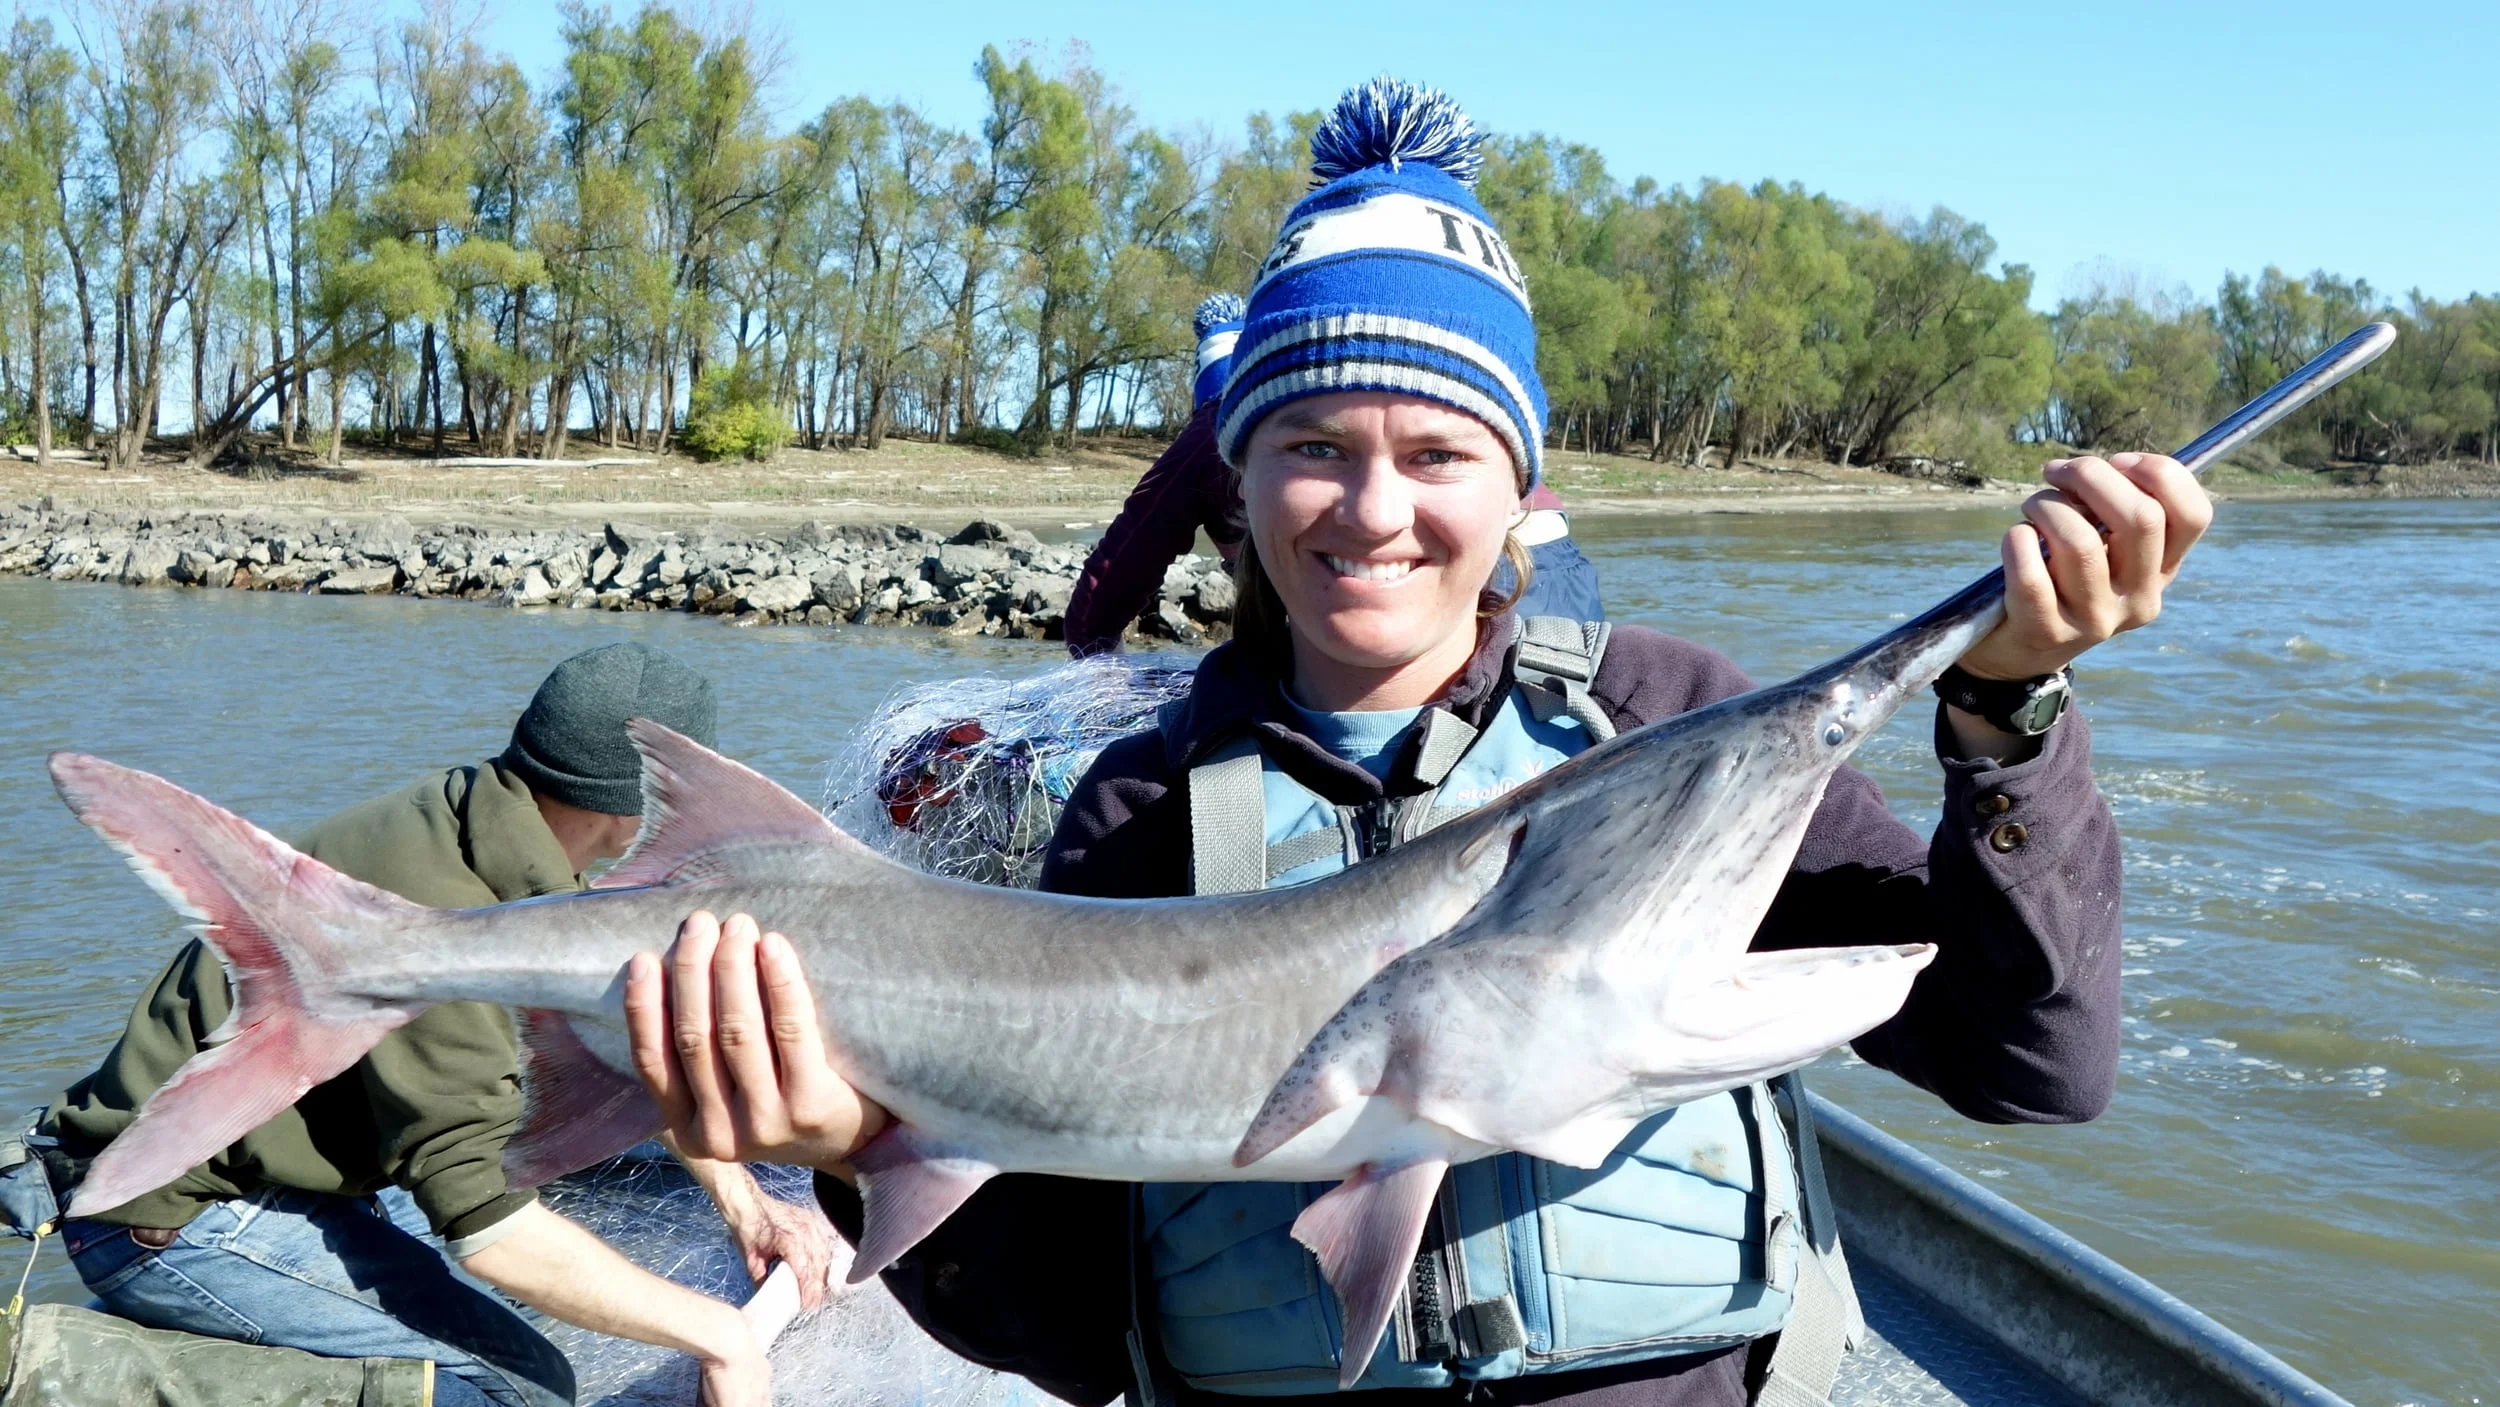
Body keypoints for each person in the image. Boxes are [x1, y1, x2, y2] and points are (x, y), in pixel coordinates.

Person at [623, 78, 2211, 1407]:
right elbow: (1059, 1334)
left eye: (1438, 448)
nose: (1375, 510)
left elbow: (2034, 1067)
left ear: (1518, 485)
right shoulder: (1141, 802)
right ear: (1236, 486)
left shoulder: (1661, 719)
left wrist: (2007, 717)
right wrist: (853, 1143)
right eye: (1312, 446)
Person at [38, 642, 828, 1407]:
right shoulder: (450, 924)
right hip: (179, 1210)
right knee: (522, 1386)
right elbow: (490, 1230)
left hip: (303, 1160)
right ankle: (114, 1372)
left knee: (533, 1270)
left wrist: (745, 1202)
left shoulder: (492, 817)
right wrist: (720, 1336)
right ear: (645, 801)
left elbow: (617, 1047)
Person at [1064, 298, 1604, 657]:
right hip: (1555, 555)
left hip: (1507, 560)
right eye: (1318, 450)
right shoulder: (1376, 372)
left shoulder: (1214, 427)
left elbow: (1126, 556)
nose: (1374, 514)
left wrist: (1092, 655)